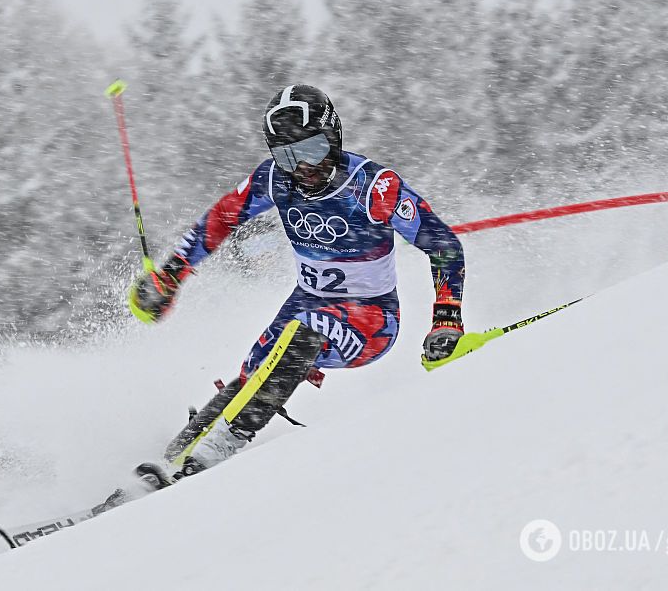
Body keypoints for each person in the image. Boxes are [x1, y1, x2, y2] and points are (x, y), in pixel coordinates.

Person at [125, 84, 466, 490]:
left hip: (372, 318)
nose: (303, 167)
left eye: (312, 150)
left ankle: (210, 455)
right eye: (287, 156)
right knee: (253, 375)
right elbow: (221, 217)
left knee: (302, 336)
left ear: (333, 137)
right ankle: (169, 461)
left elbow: (443, 246)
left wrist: (447, 320)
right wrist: (171, 275)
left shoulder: (372, 186)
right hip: (306, 302)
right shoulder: (275, 179)